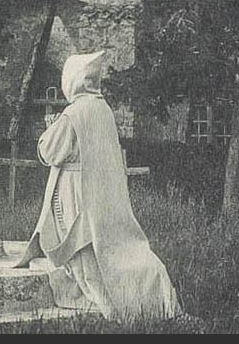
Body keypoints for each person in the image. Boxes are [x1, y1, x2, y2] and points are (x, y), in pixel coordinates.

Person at [15, 50, 181, 323]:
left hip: (74, 188)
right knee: (98, 239)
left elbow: (50, 151)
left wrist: (50, 127)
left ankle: (98, 296)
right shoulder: (103, 109)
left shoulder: (73, 113)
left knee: (78, 244)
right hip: (99, 189)